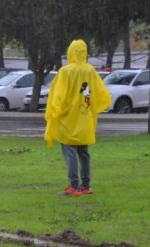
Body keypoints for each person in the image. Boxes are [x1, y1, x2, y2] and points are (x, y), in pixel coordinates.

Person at [43, 39, 111, 196]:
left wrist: (54, 111)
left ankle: (74, 186)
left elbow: (59, 94)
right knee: (83, 151)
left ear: (71, 52)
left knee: (70, 150)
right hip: (85, 118)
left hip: (69, 119)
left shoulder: (66, 71)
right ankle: (86, 185)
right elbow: (101, 92)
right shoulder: (90, 70)